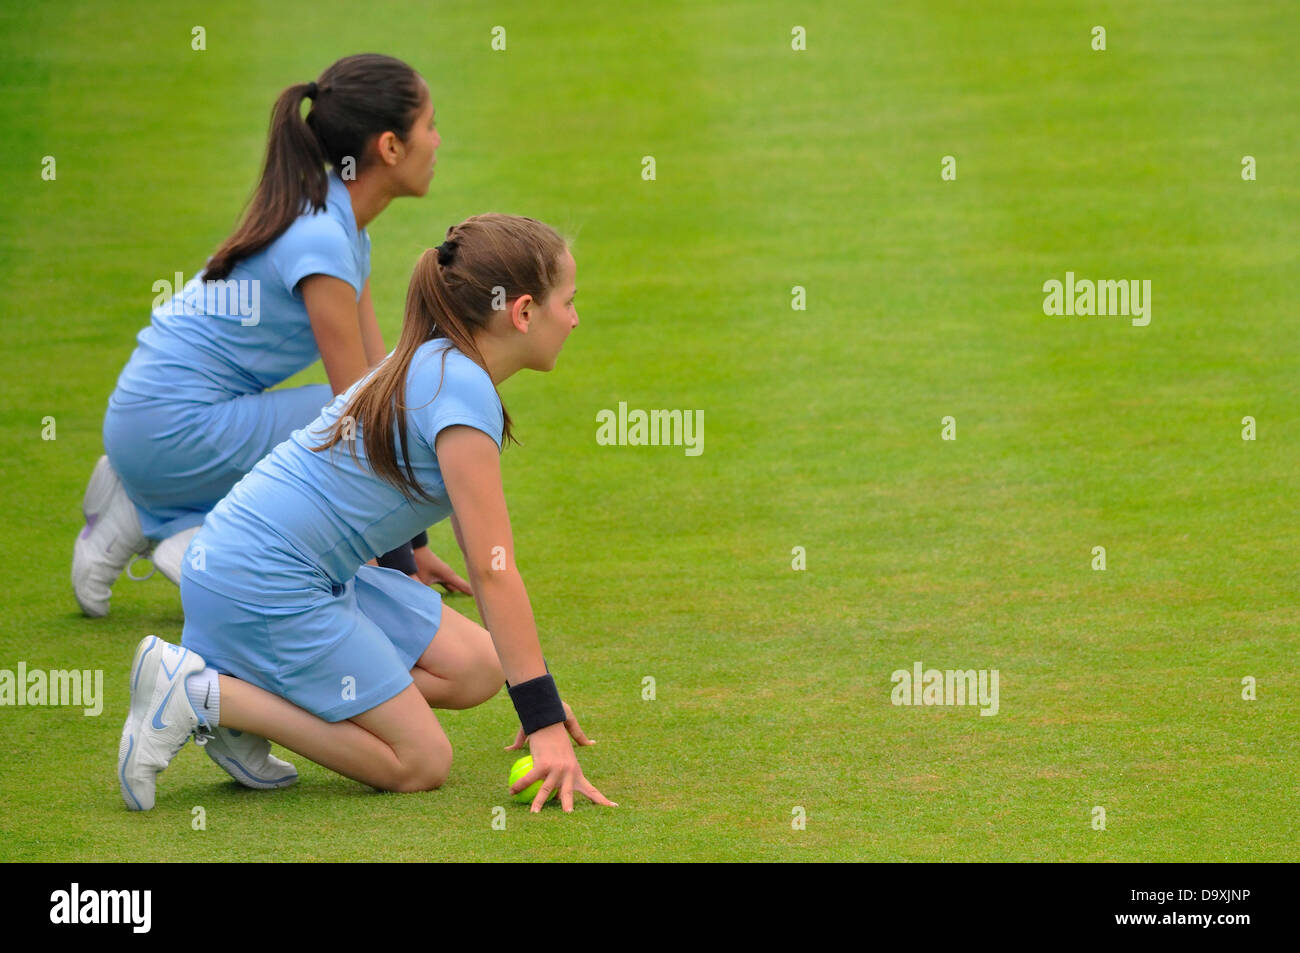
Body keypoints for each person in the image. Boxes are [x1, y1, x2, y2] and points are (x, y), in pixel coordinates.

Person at [118, 214, 615, 815]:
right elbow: (493, 570)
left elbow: (380, 487)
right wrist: (543, 725)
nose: (576, 319)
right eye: (570, 301)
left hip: (278, 569)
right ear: (525, 311)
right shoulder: (465, 393)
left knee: (479, 667)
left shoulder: (439, 359)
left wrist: (526, 684)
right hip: (257, 582)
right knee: (422, 762)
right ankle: (206, 696)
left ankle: (250, 700)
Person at [74, 52, 467, 635]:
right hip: (165, 428)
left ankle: (153, 506)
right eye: (430, 125)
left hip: (153, 425)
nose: (438, 140)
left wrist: (413, 543)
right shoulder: (326, 240)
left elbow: (383, 374)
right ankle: (211, 547)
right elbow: (359, 411)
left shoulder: (338, 223)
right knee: (347, 414)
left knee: (382, 401)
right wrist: (396, 568)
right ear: (389, 146)